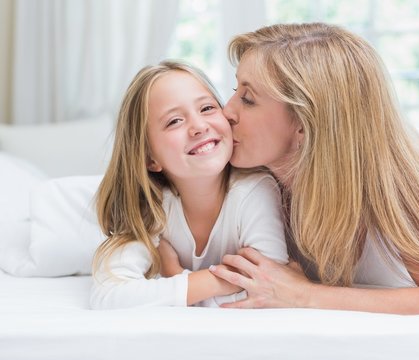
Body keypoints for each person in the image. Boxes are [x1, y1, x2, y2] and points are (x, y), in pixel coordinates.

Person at [204, 22, 419, 314]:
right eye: (235, 90)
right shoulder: (241, 175)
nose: (226, 111)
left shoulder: (399, 182)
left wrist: (304, 294)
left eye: (248, 99)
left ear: (304, 123)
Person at [90, 60, 288, 309]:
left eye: (206, 108)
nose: (198, 127)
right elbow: (109, 296)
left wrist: (175, 273)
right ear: (150, 158)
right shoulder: (151, 206)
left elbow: (271, 291)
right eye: (174, 121)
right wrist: (223, 282)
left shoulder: (254, 191)